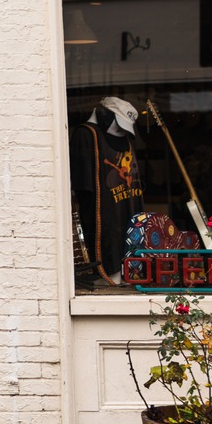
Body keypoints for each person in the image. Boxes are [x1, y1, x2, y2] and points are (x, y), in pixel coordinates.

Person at [71, 96, 145, 284]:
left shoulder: (126, 139)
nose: (121, 131)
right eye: (119, 125)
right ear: (105, 114)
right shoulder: (86, 134)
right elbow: (83, 187)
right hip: (105, 219)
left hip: (126, 212)